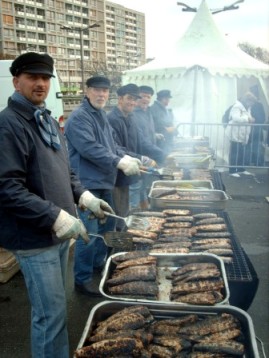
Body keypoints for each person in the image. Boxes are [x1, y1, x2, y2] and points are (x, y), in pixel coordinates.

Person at [0, 53, 113, 358]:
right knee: (50, 317)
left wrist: (83, 196)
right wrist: (55, 216)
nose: (40, 84)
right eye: (32, 77)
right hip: (35, 237)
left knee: (56, 312)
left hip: (59, 234)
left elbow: (66, 170)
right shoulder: (8, 124)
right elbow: (7, 187)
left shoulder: (47, 119)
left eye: (45, 78)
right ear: (16, 81)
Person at [64, 76, 140, 295]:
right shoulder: (79, 117)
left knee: (107, 227)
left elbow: (111, 146)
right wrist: (118, 162)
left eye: (105, 91)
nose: (101, 94)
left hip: (105, 182)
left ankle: (99, 265)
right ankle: (83, 279)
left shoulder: (101, 116)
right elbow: (90, 148)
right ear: (86, 91)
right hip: (87, 185)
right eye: (97, 90)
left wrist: (128, 157)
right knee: (89, 234)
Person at [107, 83, 165, 218]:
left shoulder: (131, 117)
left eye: (134, 99)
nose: (133, 102)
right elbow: (116, 149)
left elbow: (141, 140)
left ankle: (130, 226)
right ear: (120, 98)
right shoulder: (112, 119)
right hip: (117, 174)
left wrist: (159, 154)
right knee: (121, 212)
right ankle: (127, 230)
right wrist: (141, 157)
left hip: (130, 170)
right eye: (129, 98)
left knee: (127, 207)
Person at [130, 85, 166, 209]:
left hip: (148, 156)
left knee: (143, 186)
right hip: (137, 157)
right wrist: (161, 153)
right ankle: (133, 216)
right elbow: (140, 140)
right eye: (143, 96)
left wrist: (155, 135)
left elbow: (146, 132)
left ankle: (145, 210)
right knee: (135, 187)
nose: (145, 99)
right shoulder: (133, 114)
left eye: (148, 97)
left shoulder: (147, 112)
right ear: (137, 97)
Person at [226, 91, 257, 177]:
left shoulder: (247, 108)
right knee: (234, 152)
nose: (252, 104)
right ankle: (232, 171)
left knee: (241, 152)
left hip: (242, 133)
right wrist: (248, 119)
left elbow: (247, 118)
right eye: (251, 102)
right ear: (247, 100)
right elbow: (236, 118)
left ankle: (240, 169)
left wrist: (250, 119)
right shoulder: (237, 107)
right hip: (235, 132)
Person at [150, 89, 177, 153]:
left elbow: (169, 122)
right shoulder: (153, 109)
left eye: (168, 99)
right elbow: (155, 125)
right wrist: (166, 129)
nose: (168, 101)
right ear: (162, 99)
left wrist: (174, 129)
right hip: (159, 141)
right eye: (167, 99)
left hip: (167, 140)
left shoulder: (166, 110)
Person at [248, 85, 266, 166]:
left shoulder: (257, 105)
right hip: (255, 128)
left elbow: (261, 118)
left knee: (256, 146)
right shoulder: (258, 105)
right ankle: (257, 161)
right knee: (255, 145)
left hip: (256, 128)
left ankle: (258, 162)